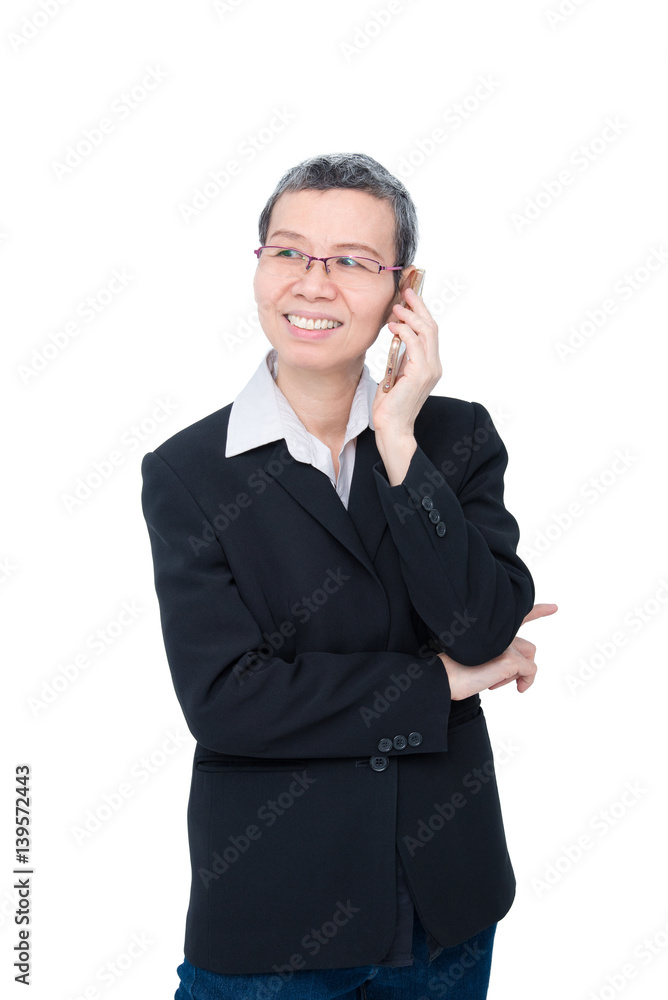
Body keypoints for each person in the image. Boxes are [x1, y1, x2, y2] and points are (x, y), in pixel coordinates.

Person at [140, 152, 555, 999]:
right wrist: (436, 681)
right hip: (273, 913)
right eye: (289, 252)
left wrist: (400, 443)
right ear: (259, 268)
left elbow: (481, 626)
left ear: (407, 290)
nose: (314, 284)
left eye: (355, 262)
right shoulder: (188, 472)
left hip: (445, 907)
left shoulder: (454, 437)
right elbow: (226, 701)